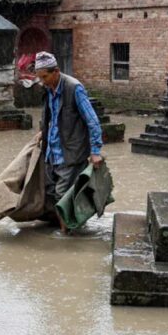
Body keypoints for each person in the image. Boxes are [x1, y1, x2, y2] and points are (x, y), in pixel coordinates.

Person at [34, 52, 104, 233]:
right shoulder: (48, 89)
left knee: (62, 195)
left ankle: (66, 237)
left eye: (45, 77)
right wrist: (43, 132)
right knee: (50, 193)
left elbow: (93, 121)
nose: (42, 82)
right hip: (52, 152)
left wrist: (95, 152)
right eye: (40, 78)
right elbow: (51, 116)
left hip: (71, 153)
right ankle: (73, 225)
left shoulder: (74, 88)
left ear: (56, 71)